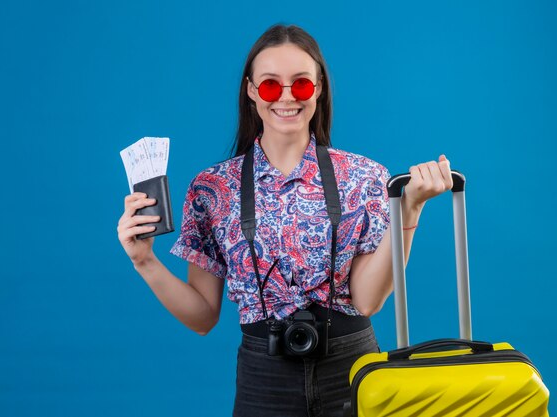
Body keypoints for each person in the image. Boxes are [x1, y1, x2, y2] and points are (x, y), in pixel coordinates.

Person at [117, 24, 453, 417]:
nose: (287, 97)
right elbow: (203, 316)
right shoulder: (212, 189)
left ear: (320, 88)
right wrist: (144, 261)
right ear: (251, 91)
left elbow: (368, 299)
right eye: (272, 86)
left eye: (302, 85)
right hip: (264, 379)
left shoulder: (365, 178)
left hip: (354, 370)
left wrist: (408, 211)